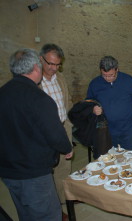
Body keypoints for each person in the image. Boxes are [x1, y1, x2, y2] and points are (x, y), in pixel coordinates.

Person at [0, 48, 72, 221]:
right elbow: (54, 134)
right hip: (33, 174)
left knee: (25, 214)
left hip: (8, 171)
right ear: (36, 66)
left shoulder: (3, 93)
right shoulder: (39, 99)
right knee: (47, 214)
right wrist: (67, 147)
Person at [39, 43, 73, 211]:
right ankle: (51, 206)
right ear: (40, 59)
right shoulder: (34, 82)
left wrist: (69, 123)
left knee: (64, 167)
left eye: (57, 64)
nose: (53, 68)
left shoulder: (60, 78)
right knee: (46, 170)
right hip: (44, 133)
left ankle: (63, 203)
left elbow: (67, 101)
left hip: (63, 128)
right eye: (50, 63)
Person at [87, 56, 132, 151]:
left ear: (117, 70)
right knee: (108, 160)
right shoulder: (94, 84)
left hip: (127, 130)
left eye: (111, 75)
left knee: (131, 157)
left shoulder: (129, 81)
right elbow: (88, 103)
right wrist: (93, 109)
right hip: (106, 130)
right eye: (104, 75)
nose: (108, 78)